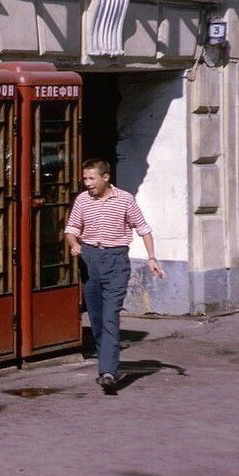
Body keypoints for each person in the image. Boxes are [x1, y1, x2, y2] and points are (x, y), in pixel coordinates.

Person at [64, 158, 166, 395]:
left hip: (116, 260)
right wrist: (74, 245)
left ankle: (108, 372)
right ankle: (107, 361)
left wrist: (152, 259)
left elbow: (144, 229)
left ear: (105, 177)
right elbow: (71, 230)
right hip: (89, 259)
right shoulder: (82, 200)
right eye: (85, 179)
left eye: (91, 178)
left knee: (110, 316)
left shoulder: (125, 200)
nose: (87, 184)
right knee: (97, 318)